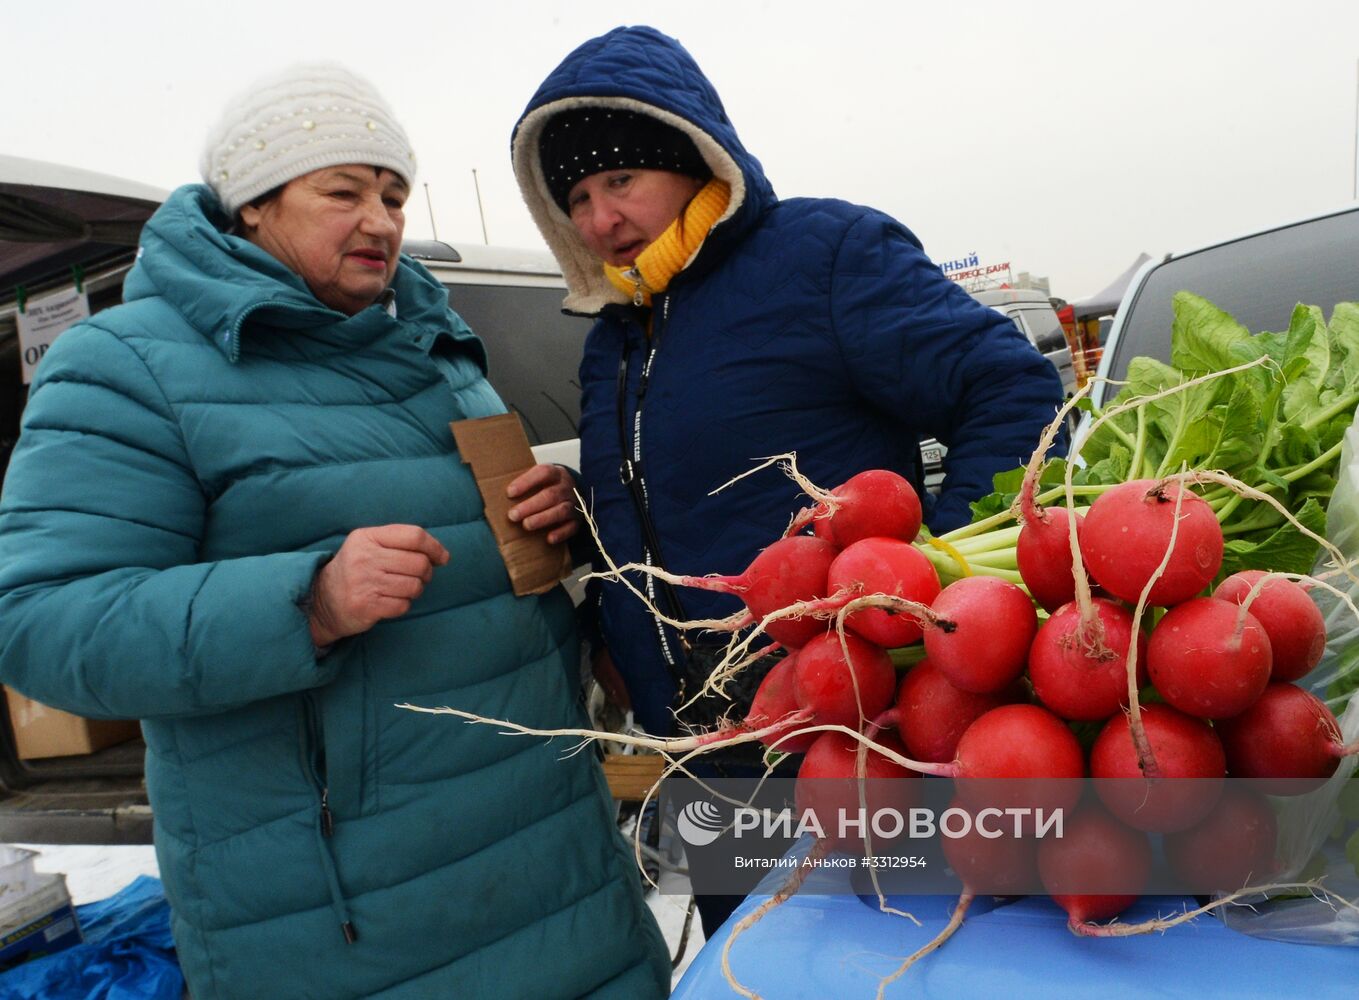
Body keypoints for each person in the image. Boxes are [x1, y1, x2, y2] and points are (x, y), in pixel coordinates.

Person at [0, 64, 669, 999]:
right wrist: (303, 602)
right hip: (350, 917)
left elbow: (488, 554)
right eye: (343, 191)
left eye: (394, 194)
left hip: (553, 858)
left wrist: (556, 514)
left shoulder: (435, 347)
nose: (382, 220)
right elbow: (40, 622)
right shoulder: (124, 367)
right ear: (251, 207)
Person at [510, 26, 1068, 935]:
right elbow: (672, 501)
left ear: (693, 159)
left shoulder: (820, 254)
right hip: (710, 750)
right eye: (576, 195)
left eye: (620, 181)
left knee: (896, 952)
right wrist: (587, 522)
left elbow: (1009, 391)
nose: (599, 219)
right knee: (757, 960)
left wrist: (951, 597)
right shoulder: (614, 338)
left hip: (855, 728)